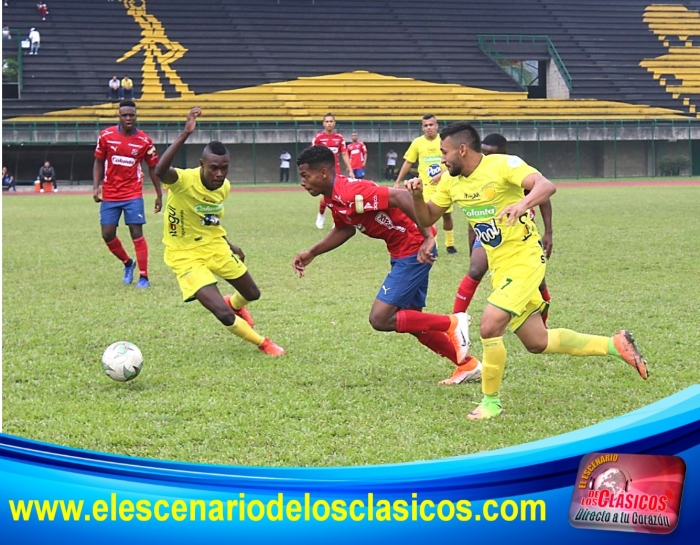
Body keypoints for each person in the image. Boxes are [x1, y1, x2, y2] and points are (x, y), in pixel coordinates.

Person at [405, 121, 648, 420]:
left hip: (526, 258)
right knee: (537, 342)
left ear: (462, 149)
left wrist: (522, 204)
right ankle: (615, 344)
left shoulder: (503, 165)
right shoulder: (450, 181)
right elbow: (428, 215)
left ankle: (490, 403)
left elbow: (546, 186)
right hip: (501, 265)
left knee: (490, 324)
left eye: (444, 152)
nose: (441, 158)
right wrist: (416, 195)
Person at [293, 145, 479, 383]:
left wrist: (428, 237)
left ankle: (453, 323)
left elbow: (400, 196)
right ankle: (467, 365)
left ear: (324, 173)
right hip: (401, 248)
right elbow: (345, 228)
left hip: (414, 246)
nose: (302, 182)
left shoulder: (351, 192)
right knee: (413, 320)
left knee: (380, 319)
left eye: (305, 176)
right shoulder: (334, 197)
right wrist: (312, 252)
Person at [154, 107, 285, 357]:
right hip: (184, 255)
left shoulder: (223, 187)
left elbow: (209, 219)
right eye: (214, 167)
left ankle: (233, 303)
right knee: (221, 314)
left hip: (214, 245)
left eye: (224, 167)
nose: (219, 173)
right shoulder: (183, 181)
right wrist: (184, 134)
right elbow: (160, 171)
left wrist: (229, 244)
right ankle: (264, 343)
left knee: (252, 293)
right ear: (201, 164)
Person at [453, 133, 553, 329]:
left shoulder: (510, 170)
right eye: (484, 152)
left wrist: (548, 231)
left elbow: (544, 196)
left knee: (539, 282)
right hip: (488, 232)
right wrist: (472, 240)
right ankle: (456, 322)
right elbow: (472, 209)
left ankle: (542, 324)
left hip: (518, 234)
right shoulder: (474, 172)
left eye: (491, 153)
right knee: (475, 269)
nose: (486, 157)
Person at [93, 99, 163, 288]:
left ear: (136, 115)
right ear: (119, 116)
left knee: (136, 231)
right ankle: (127, 263)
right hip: (110, 193)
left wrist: (159, 194)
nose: (128, 118)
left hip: (133, 193)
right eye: (124, 115)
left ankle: (144, 277)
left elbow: (153, 168)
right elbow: (99, 161)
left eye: (131, 115)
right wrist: (96, 186)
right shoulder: (106, 136)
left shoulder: (144, 141)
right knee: (107, 234)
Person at [394, 114, 457, 254]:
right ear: (422, 127)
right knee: (429, 217)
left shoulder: (444, 141)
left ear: (437, 125)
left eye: (431, 125)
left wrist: (441, 175)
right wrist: (398, 181)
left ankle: (450, 244)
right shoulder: (417, 143)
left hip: (444, 185)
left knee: (447, 216)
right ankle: (434, 245)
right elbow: (408, 162)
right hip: (426, 187)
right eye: (426, 125)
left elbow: (453, 160)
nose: (429, 128)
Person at [311, 112, 352, 229]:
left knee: (337, 195)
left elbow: (344, 153)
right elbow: (312, 153)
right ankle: (321, 214)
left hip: (335, 171)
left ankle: (337, 220)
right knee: (325, 196)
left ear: (334, 123)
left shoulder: (339, 138)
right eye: (327, 121)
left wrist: (350, 169)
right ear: (323, 124)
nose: (329, 123)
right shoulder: (318, 138)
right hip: (322, 171)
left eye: (331, 121)